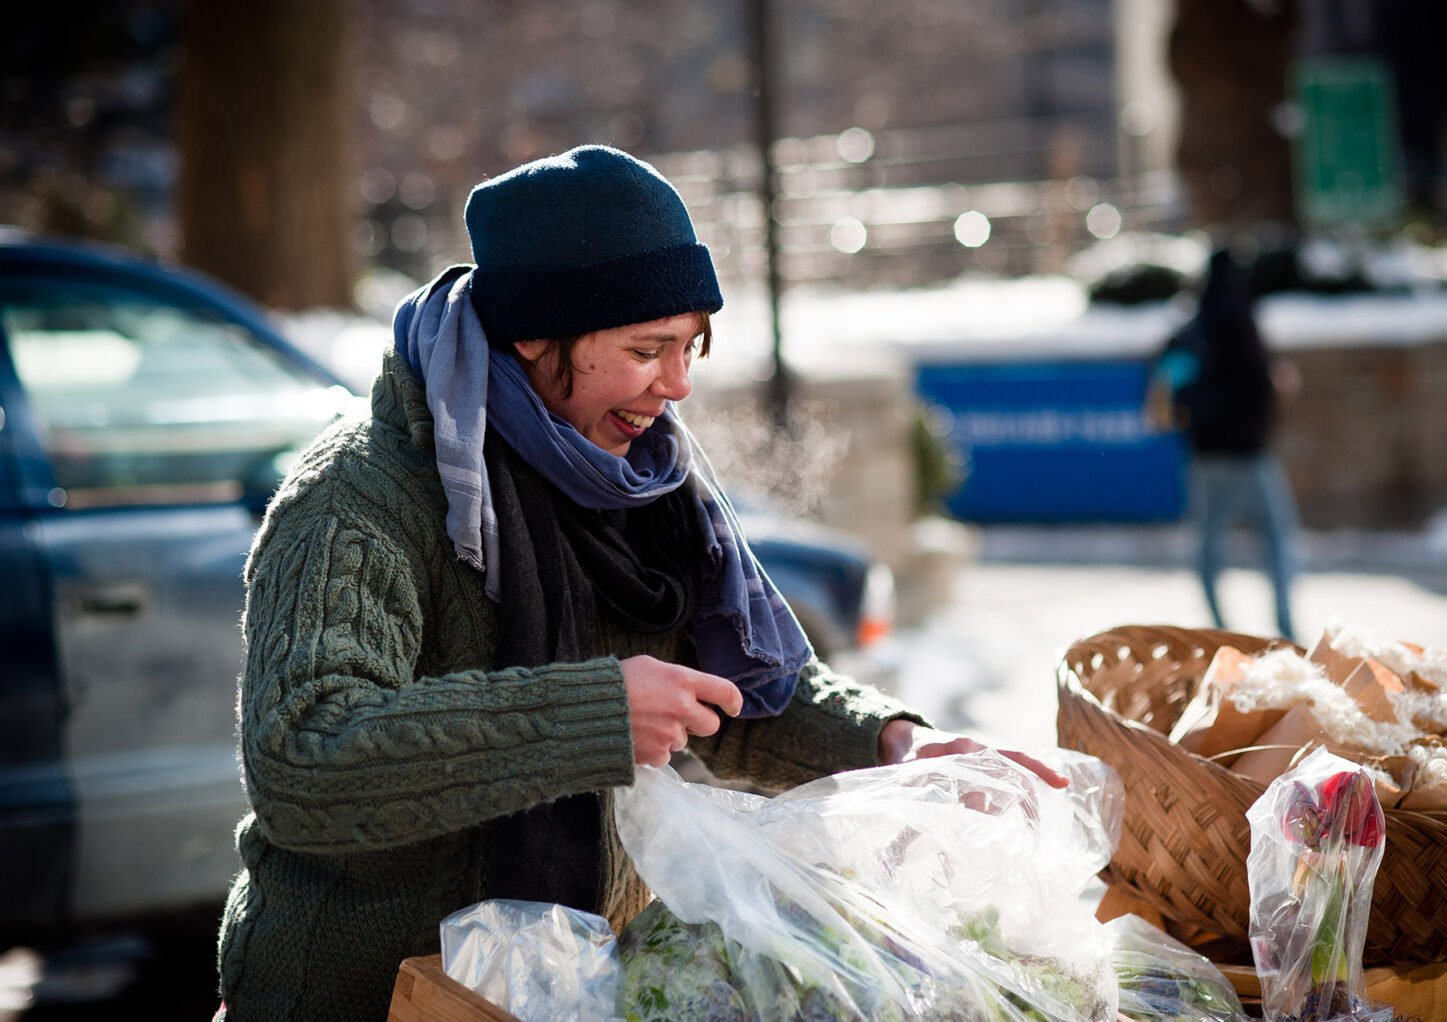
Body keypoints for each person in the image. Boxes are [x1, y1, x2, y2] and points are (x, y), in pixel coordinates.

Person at [213, 144, 1065, 1022]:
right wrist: (595, 714)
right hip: (352, 996)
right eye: (647, 348)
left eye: (691, 344)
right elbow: (303, 759)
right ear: (534, 335)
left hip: (558, 984)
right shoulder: (356, 496)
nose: (679, 384)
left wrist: (892, 743)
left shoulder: (635, 477)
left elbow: (736, 688)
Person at [1150, 247, 1301, 641]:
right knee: (1277, 542)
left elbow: (1168, 388)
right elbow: (1259, 382)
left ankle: (1218, 631)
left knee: (1208, 546)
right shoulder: (1242, 320)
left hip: (1205, 456)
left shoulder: (1192, 329)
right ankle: (1286, 629)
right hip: (1250, 456)